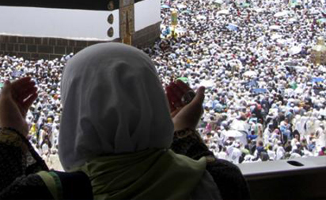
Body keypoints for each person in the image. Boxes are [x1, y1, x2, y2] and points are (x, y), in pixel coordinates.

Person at [58, 43, 250, 199]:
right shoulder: (221, 182)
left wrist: (25, 137)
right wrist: (184, 132)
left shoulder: (50, 192)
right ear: (153, 95)